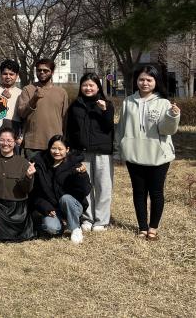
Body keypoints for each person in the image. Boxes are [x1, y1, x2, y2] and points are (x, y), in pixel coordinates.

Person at [116, 65, 180, 241]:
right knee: (139, 192)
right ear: (136, 81)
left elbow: (167, 130)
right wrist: (118, 150)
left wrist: (172, 116)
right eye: (141, 79)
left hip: (158, 156)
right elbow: (121, 128)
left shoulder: (163, 102)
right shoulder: (128, 101)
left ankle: (153, 228)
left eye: (149, 80)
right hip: (133, 154)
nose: (145, 83)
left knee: (156, 192)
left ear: (155, 81)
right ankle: (142, 227)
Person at [65, 73, 115, 232]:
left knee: (103, 186)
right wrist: (70, 149)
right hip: (81, 152)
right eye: (85, 85)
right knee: (85, 186)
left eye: (91, 85)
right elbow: (70, 129)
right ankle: (87, 218)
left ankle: (101, 221)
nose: (88, 88)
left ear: (98, 87)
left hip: (102, 152)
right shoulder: (75, 105)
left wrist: (105, 110)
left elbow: (109, 127)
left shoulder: (107, 104)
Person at [31, 134, 91, 244]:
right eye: (53, 148)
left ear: (67, 149)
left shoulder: (75, 164)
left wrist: (81, 175)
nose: (56, 152)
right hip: (53, 208)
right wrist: (45, 207)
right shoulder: (40, 165)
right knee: (51, 228)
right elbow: (36, 192)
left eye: (60, 149)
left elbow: (86, 190)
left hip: (73, 205)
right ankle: (63, 224)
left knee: (66, 198)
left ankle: (75, 229)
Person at [0, 129, 35, 242]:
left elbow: (27, 190)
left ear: (15, 142)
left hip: (17, 210)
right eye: (2, 140)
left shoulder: (23, 162)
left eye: (9, 140)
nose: (5, 143)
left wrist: (28, 176)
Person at [16, 58, 69, 160]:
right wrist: (34, 98)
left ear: (52, 72)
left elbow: (65, 119)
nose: (42, 72)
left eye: (46, 70)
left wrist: (64, 141)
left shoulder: (61, 92)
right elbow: (22, 113)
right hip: (33, 144)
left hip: (56, 144)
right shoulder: (28, 89)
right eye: (39, 70)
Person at [0, 59, 22, 132]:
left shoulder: (21, 93)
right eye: (5, 74)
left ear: (17, 75)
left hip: (14, 130)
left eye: (11, 74)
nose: (8, 77)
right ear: (0, 74)